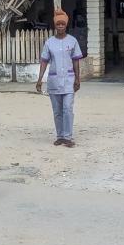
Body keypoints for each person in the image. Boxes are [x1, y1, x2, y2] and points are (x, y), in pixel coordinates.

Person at [35, 8, 83, 147]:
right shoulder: (49, 43)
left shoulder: (72, 41)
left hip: (69, 81)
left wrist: (78, 79)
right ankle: (60, 136)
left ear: (66, 25)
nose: (60, 26)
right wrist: (40, 79)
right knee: (57, 111)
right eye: (58, 24)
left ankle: (68, 137)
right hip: (54, 82)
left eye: (63, 24)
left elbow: (76, 61)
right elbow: (44, 61)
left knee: (67, 108)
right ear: (55, 26)